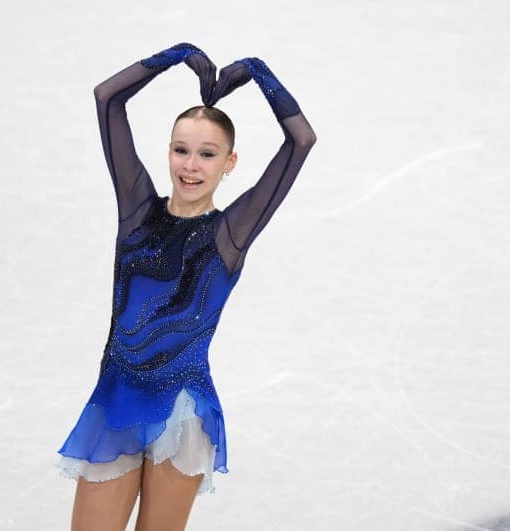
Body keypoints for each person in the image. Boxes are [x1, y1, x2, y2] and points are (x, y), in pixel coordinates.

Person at [56, 43, 316, 531]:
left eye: (207, 154)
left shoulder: (230, 233)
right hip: (116, 400)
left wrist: (258, 71)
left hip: (183, 413)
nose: (191, 165)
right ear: (169, 152)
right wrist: (173, 56)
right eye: (181, 150)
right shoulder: (137, 212)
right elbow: (107, 98)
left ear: (229, 162)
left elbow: (300, 140)